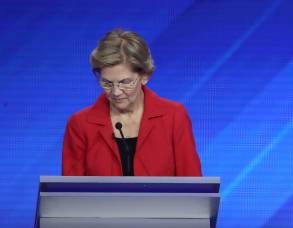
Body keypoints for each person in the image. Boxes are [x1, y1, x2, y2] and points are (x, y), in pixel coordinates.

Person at [62, 29, 202, 176]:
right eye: (107, 83)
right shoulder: (80, 124)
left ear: (145, 76)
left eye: (125, 82)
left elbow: (193, 188)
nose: (115, 92)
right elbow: (71, 194)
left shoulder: (174, 116)